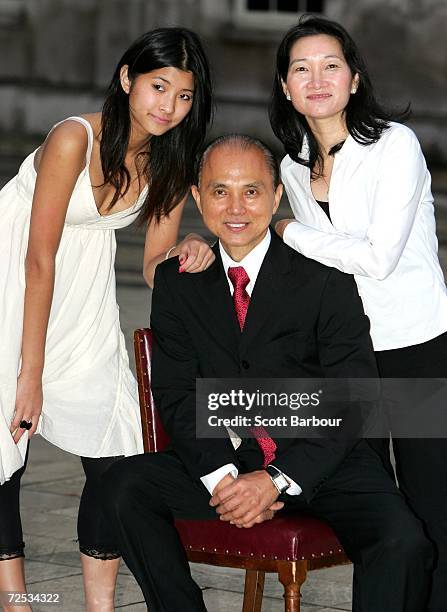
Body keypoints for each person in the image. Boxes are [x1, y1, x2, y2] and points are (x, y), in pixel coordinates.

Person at [101, 135, 433, 612]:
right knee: (121, 488)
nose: (236, 207)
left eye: (252, 191)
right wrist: (223, 480)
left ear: (276, 196)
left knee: (404, 542)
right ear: (198, 197)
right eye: (220, 191)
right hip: (231, 457)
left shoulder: (325, 276)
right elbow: (176, 394)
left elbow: (353, 395)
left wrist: (274, 479)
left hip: (321, 463)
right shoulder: (178, 283)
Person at [0, 27, 214, 612]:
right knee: (4, 442)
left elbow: (151, 265)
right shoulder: (75, 138)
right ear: (127, 79)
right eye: (158, 86)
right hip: (14, 278)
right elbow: (37, 257)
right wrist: (29, 372)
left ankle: (100, 606)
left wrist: (186, 249)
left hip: (85, 288)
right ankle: (17, 601)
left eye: (185, 95)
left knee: (116, 446)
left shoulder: (172, 157)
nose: (169, 106)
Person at [269, 15, 447, 612]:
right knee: (377, 515)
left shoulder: (395, 146)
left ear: (354, 79)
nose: (316, 79)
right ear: (286, 87)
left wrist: (290, 231)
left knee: (432, 507)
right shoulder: (293, 167)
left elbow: (376, 260)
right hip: (348, 359)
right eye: (301, 68)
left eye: (330, 66)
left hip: (416, 346)